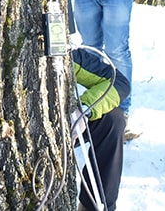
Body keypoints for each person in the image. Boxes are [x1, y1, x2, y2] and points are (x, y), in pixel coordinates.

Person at [71, 47, 129, 211]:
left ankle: (96, 207)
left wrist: (84, 110)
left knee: (112, 121)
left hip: (60, 125)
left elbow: (118, 82)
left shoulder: (60, 54)